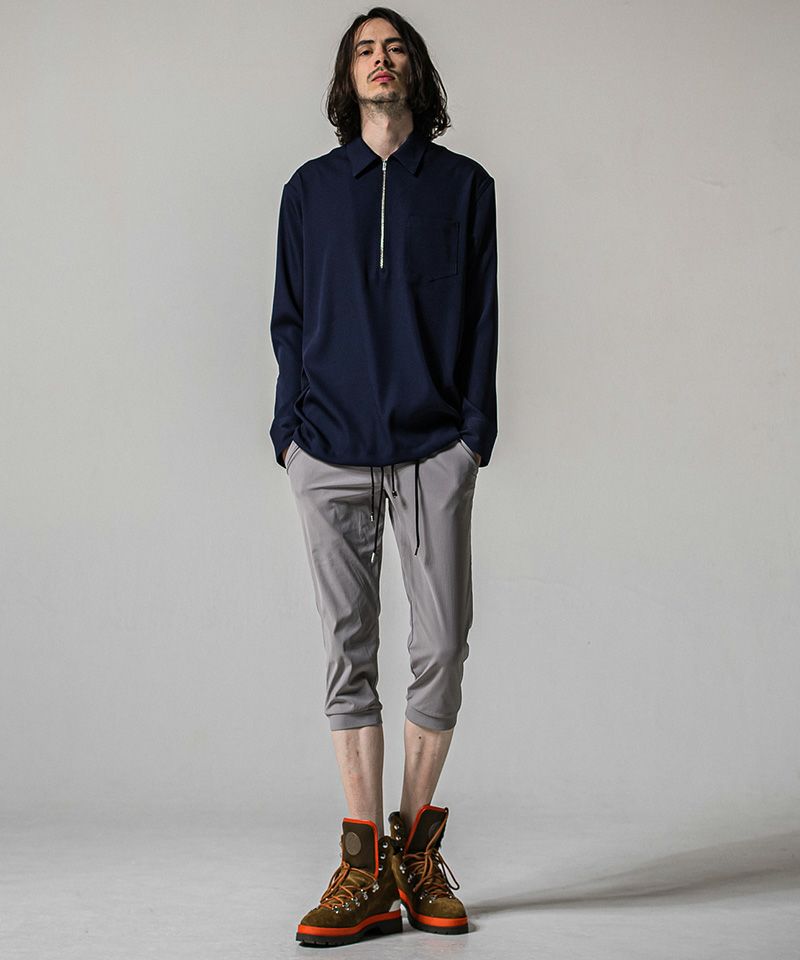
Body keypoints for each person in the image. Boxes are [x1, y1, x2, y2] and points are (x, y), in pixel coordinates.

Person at [268, 6, 498, 947]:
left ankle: (414, 849)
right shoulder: (310, 191)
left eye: (395, 47)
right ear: (346, 76)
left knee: (441, 645)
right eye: (364, 49)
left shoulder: (465, 187)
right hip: (326, 449)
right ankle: (363, 868)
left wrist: (472, 437)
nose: (380, 59)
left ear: (417, 71)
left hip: (433, 446)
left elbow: (482, 318)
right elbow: (287, 318)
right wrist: (288, 433)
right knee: (347, 651)